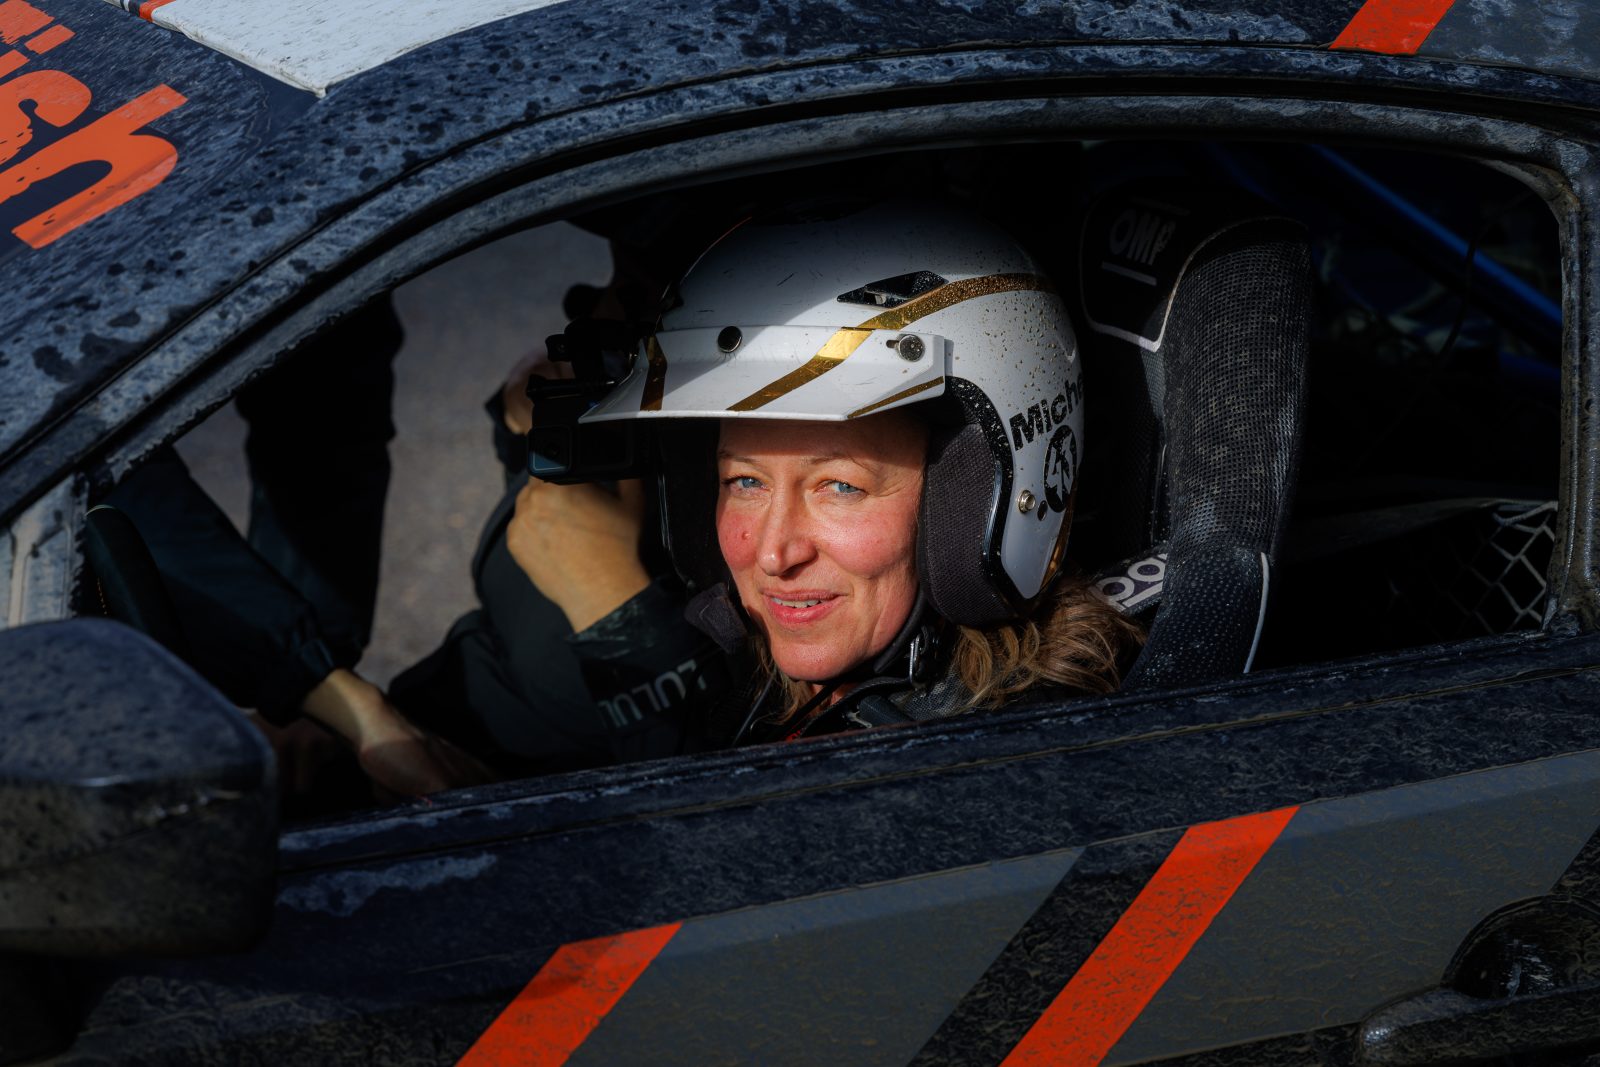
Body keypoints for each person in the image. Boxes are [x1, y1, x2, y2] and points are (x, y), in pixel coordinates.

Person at [501, 198, 1143, 758]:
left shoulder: (1020, 756)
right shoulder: (770, 677)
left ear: (976, 501)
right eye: (744, 482)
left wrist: (624, 626)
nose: (774, 554)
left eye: (840, 487)